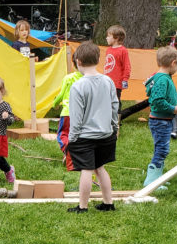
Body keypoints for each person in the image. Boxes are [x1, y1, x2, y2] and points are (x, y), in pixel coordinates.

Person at [65, 43, 119, 213]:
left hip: (85, 137)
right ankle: (108, 203)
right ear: (98, 60)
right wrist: (114, 126)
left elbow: (76, 116)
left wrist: (72, 139)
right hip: (106, 134)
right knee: (100, 167)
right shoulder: (108, 81)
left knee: (87, 170)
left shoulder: (78, 86)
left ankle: (83, 206)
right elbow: (114, 106)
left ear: (78, 62)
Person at [144, 47, 177, 188]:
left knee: (162, 149)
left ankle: (158, 178)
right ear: (173, 63)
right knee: (161, 150)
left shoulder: (164, 78)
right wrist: (173, 109)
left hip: (164, 120)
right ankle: (151, 181)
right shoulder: (162, 79)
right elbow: (157, 101)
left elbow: (170, 95)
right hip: (160, 121)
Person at [53, 68, 84, 172]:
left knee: (63, 134)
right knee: (78, 135)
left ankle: (68, 151)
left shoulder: (69, 78)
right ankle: (78, 155)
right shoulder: (87, 79)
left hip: (67, 112)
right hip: (82, 114)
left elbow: (61, 95)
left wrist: (54, 104)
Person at [104, 25, 131, 108]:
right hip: (107, 81)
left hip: (116, 83)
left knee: (115, 101)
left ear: (116, 37)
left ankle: (117, 115)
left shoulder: (123, 50)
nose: (106, 38)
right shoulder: (108, 50)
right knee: (106, 101)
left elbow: (127, 66)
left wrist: (125, 79)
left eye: (109, 36)